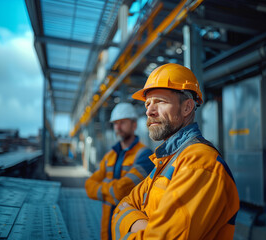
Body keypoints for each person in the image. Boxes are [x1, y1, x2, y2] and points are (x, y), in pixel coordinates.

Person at [111, 63, 239, 240]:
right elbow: (123, 204)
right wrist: (146, 227)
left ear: (187, 108)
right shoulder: (165, 161)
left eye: (160, 102)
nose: (149, 111)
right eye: (147, 104)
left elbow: (123, 212)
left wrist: (129, 218)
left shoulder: (200, 162)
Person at [85, 102, 154, 240]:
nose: (118, 127)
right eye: (115, 123)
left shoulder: (145, 155)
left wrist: (102, 190)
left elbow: (120, 192)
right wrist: (112, 192)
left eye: (123, 122)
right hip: (107, 228)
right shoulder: (110, 155)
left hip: (129, 230)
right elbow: (88, 186)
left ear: (134, 125)